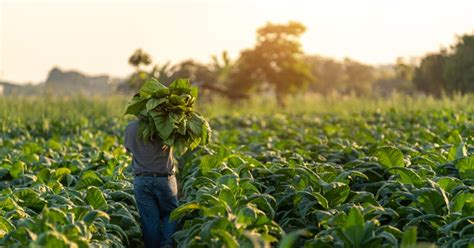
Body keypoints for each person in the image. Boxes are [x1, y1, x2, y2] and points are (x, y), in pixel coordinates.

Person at [124, 118, 178, 248]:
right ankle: (167, 245)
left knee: (149, 220)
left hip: (141, 179)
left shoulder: (130, 127)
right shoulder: (167, 124)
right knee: (170, 214)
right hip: (164, 178)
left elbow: (128, 149)